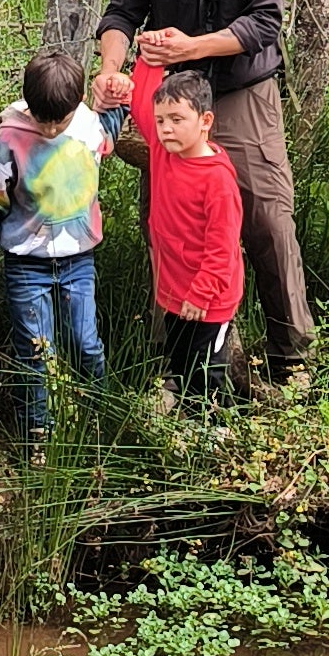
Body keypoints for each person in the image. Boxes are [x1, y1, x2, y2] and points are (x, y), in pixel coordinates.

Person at [92, 0, 311, 379]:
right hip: (171, 101)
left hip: (242, 90)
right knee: (169, 221)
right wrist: (112, 70)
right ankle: (190, 362)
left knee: (266, 218)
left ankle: (291, 358)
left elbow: (265, 22)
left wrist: (193, 45)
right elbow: (122, 9)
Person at [0, 49, 110, 452]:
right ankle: (37, 441)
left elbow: (111, 126)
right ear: (29, 106)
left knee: (85, 343)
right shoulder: (9, 139)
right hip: (27, 264)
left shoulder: (88, 126)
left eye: (57, 122)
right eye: (42, 120)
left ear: (75, 106)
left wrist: (120, 90)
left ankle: (100, 422)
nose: (48, 129)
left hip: (79, 259)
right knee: (36, 355)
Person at [124, 59, 246, 409]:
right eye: (162, 121)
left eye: (177, 120)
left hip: (208, 301)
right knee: (179, 361)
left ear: (205, 121)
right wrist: (149, 58)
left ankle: (212, 430)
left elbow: (222, 248)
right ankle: (186, 421)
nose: (166, 128)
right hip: (175, 291)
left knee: (205, 371)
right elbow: (142, 101)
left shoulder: (217, 181)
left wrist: (201, 293)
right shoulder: (163, 152)